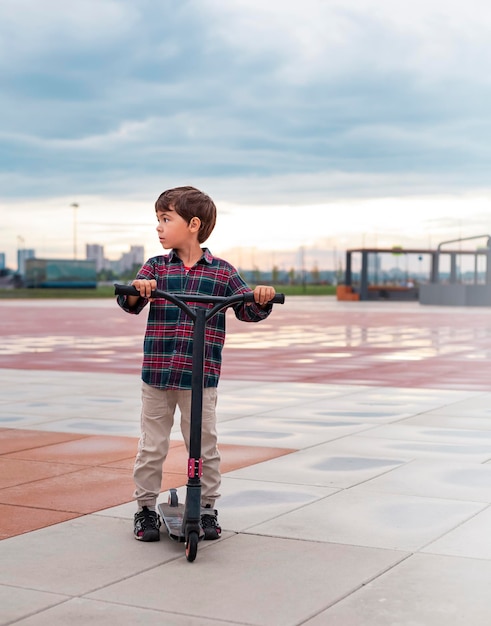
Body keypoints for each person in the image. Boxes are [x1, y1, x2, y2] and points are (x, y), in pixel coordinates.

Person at [117, 186, 276, 542]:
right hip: (157, 375)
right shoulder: (155, 267)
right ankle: (144, 509)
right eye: (157, 220)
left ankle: (205, 508)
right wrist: (137, 288)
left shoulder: (221, 273)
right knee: (152, 446)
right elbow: (130, 302)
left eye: (165, 219)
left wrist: (261, 298)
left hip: (200, 377)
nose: (158, 227)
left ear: (192, 224)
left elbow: (247, 309)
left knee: (204, 446)